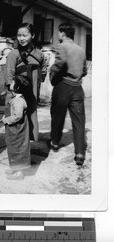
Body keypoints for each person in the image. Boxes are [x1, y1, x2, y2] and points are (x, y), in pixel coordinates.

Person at [49, 23, 87, 166]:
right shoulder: (81, 50)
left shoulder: (62, 46)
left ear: (62, 33)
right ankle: (79, 153)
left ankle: (55, 143)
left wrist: (52, 75)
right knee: (79, 121)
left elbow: (59, 65)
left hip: (64, 86)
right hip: (78, 88)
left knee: (58, 116)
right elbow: (84, 71)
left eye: (59, 33)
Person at [5, 23, 47, 142]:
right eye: (19, 35)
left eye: (25, 35)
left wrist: (37, 81)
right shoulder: (14, 54)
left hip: (33, 90)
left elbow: (43, 70)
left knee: (31, 112)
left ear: (32, 35)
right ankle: (19, 146)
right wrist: (13, 90)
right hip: (17, 91)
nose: (21, 38)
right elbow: (9, 73)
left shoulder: (39, 54)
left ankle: (29, 143)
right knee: (18, 115)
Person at [1, 75, 32, 180]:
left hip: (17, 129)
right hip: (14, 128)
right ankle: (15, 167)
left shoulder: (18, 100)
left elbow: (17, 116)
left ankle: (19, 172)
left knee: (18, 148)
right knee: (13, 148)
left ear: (18, 87)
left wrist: (7, 120)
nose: (11, 83)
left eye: (13, 82)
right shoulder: (16, 98)